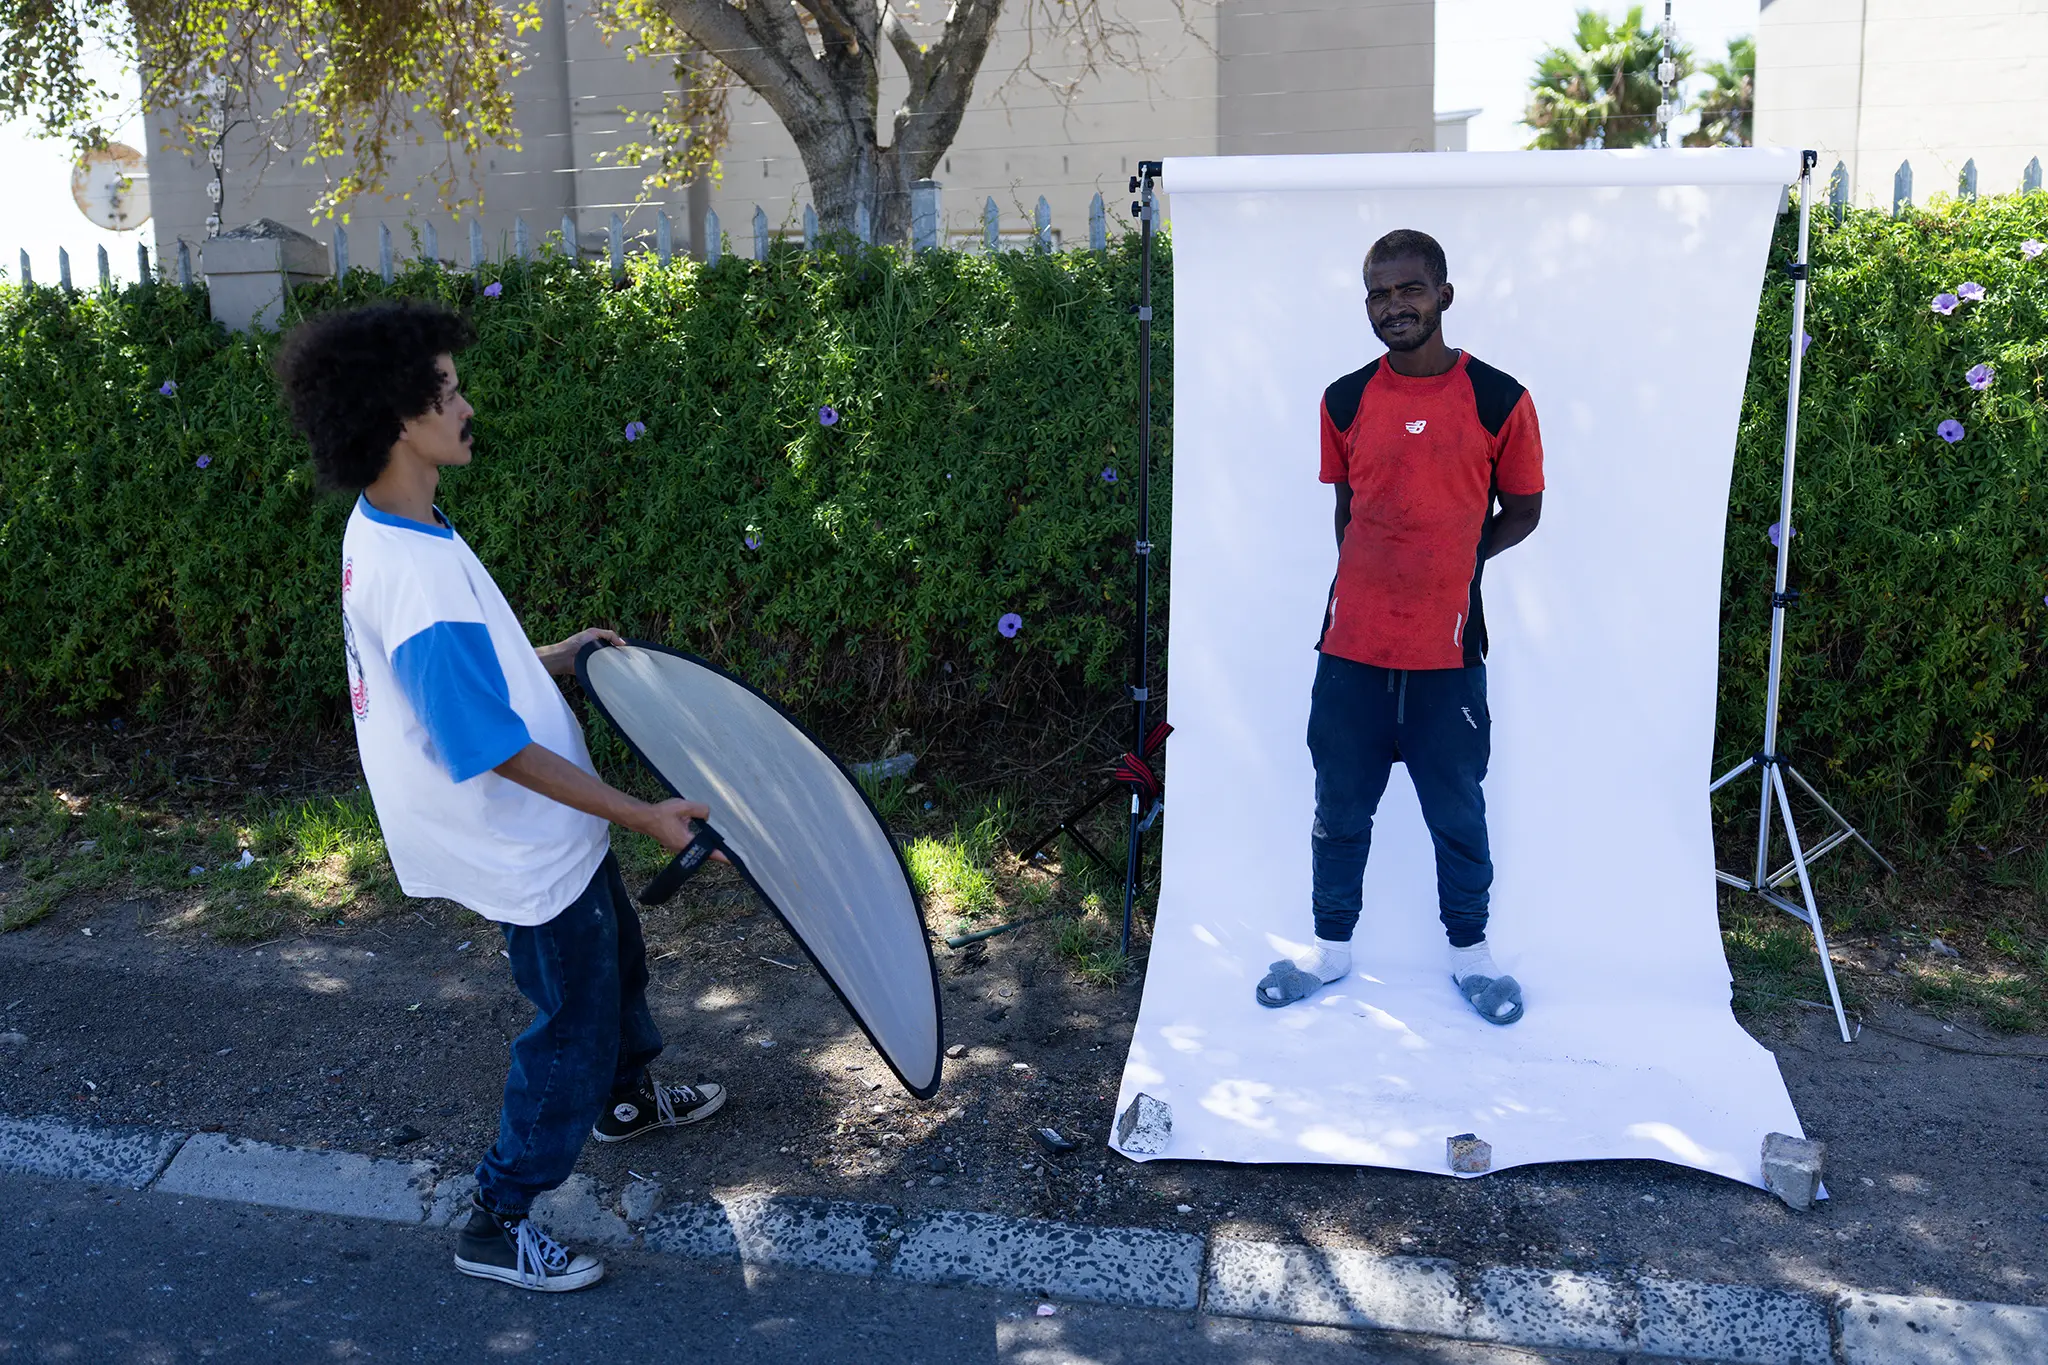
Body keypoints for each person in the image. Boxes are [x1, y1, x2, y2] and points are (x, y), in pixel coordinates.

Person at [276, 300, 728, 1292]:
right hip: (523, 838)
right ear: (400, 418)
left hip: (550, 830)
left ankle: (625, 1102)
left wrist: (558, 658)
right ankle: (497, 1216)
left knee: (616, 967)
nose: (467, 406)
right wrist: (643, 813)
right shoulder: (415, 572)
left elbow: (463, 679)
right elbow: (484, 742)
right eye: (448, 392)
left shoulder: (396, 524)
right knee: (569, 1023)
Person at [1255, 230, 1544, 1025]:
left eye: (1409, 290)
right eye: (1379, 294)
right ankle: (1330, 952)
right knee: (1338, 809)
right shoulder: (1344, 399)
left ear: (1444, 294)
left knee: (1458, 812)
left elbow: (1524, 509)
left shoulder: (1499, 399)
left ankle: (1472, 958)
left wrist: (1459, 554)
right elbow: (1347, 511)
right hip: (1349, 656)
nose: (1394, 307)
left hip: (1447, 658)